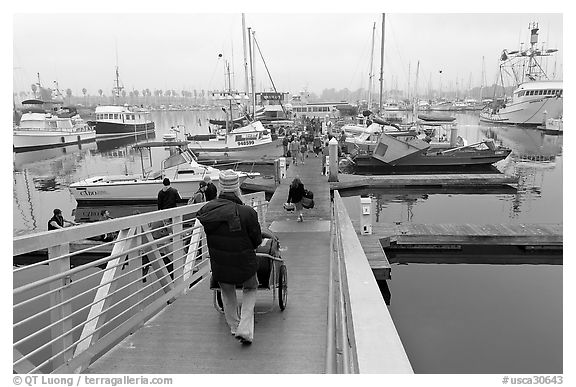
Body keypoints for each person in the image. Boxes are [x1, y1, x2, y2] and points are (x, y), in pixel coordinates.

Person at [197, 170, 262, 344]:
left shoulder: (207, 212)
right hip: (244, 264)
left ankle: (234, 327)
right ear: (237, 188)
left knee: (227, 291)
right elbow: (256, 241)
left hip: (221, 265)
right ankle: (245, 329)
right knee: (251, 287)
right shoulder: (247, 212)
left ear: (220, 187)